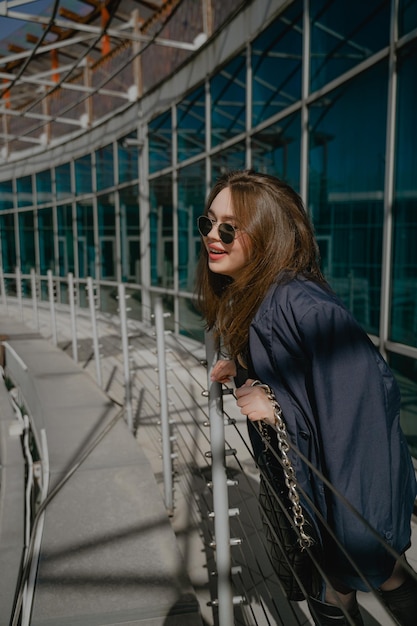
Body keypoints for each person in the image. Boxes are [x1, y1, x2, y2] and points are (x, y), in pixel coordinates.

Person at [196, 169, 417, 625]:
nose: (213, 237)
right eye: (208, 223)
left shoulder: (305, 306)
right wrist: (245, 371)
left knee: (353, 584)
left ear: (267, 232)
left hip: (339, 496)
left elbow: (361, 414)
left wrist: (273, 407)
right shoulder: (265, 297)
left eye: (229, 227)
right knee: (375, 576)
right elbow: (304, 377)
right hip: (322, 495)